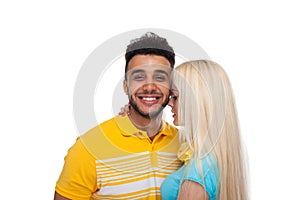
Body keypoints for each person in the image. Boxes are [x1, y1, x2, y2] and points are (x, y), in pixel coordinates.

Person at [54, 32, 182, 200]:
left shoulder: (186, 145)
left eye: (160, 77)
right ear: (125, 86)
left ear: (171, 87)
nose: (149, 87)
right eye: (139, 77)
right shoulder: (88, 148)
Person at [160, 60, 249, 200]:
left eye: (175, 97)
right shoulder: (216, 157)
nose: (169, 103)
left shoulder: (198, 171)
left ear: (197, 101)